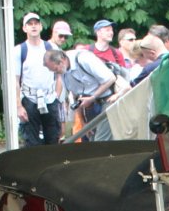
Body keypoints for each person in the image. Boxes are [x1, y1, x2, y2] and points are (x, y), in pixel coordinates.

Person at [43, 47, 117, 141]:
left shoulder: (83, 59)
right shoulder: (63, 72)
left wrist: (93, 97)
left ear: (62, 60)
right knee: (91, 138)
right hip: (89, 104)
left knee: (101, 140)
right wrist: (82, 121)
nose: (56, 72)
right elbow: (75, 97)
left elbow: (110, 79)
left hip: (109, 98)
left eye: (56, 69)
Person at [15, 12, 61, 146]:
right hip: (30, 98)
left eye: (36, 24)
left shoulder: (51, 48)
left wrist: (56, 98)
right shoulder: (19, 50)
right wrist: (18, 106)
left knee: (53, 138)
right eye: (30, 24)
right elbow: (15, 81)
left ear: (41, 26)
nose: (33, 27)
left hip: (49, 98)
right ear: (25, 28)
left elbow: (59, 76)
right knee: (31, 141)